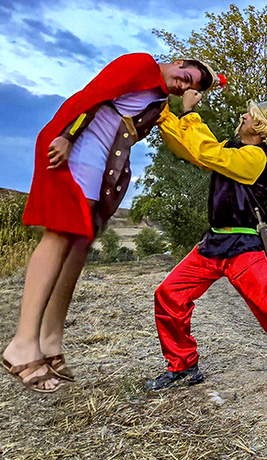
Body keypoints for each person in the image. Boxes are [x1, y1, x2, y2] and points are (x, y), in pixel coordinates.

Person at [3, 54, 218, 393]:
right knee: (59, 236)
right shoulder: (141, 64)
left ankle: (49, 342)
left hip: (99, 164)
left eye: (190, 85)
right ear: (177, 62)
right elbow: (92, 94)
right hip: (75, 148)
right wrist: (66, 135)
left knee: (77, 247)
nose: (183, 84)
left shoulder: (160, 103)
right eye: (185, 76)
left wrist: (188, 112)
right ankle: (22, 344)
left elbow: (184, 146)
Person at [146, 92, 267, 390]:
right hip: (213, 243)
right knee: (169, 295)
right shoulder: (230, 150)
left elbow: (207, 152)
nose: (243, 116)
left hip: (245, 247)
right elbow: (194, 151)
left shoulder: (255, 158)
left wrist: (191, 114)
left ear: (259, 129)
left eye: (250, 115)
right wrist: (166, 116)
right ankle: (183, 366)